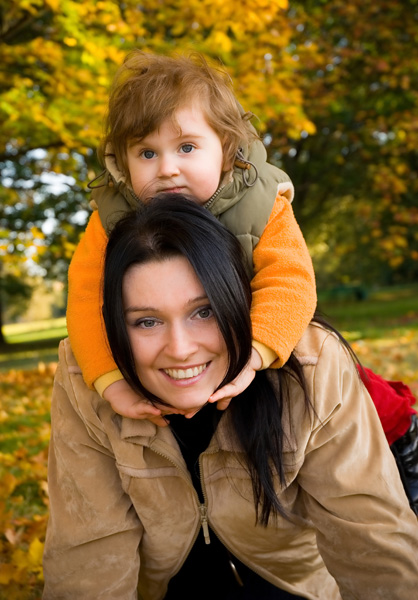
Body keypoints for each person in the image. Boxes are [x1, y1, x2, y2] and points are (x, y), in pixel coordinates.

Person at [43, 195, 418, 600]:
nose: (181, 348)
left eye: (203, 312)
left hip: (294, 582)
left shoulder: (311, 365)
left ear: (238, 302)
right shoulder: (87, 381)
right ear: (114, 327)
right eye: (146, 321)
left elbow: (373, 543)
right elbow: (88, 557)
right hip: (165, 585)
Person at [66, 50, 317, 425]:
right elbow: (86, 300)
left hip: (247, 350)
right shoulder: (111, 219)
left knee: (329, 370)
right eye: (147, 153)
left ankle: (399, 433)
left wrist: (257, 352)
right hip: (172, 370)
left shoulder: (261, 204)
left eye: (186, 148)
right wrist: (110, 381)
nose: (167, 169)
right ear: (122, 161)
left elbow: (290, 281)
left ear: (227, 153)